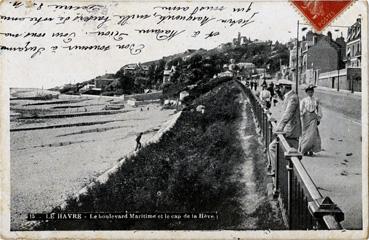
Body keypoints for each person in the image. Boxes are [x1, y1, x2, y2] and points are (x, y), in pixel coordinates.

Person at [268, 80, 302, 173]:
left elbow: (288, 114)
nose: (279, 89)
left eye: (280, 87)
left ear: (284, 87)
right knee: (291, 154)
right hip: (290, 130)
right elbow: (283, 112)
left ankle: (276, 172)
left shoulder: (293, 98)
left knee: (273, 147)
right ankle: (283, 174)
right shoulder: (289, 97)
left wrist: (279, 128)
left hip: (291, 130)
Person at [299, 83, 322, 156]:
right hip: (306, 118)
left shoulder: (316, 100)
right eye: (309, 92)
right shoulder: (304, 100)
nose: (310, 93)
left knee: (312, 134)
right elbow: (301, 109)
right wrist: (302, 114)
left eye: (311, 92)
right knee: (305, 134)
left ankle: (311, 149)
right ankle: (304, 149)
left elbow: (319, 109)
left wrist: (318, 118)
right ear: (306, 92)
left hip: (313, 117)